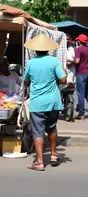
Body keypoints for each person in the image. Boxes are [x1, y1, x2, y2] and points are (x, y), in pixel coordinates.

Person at [24, 34, 67, 171]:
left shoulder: (30, 63)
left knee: (38, 132)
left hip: (37, 103)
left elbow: (26, 82)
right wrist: (63, 73)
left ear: (35, 50)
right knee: (52, 128)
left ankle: (40, 162)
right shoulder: (54, 61)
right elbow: (63, 80)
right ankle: (54, 155)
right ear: (48, 49)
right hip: (53, 102)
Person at [74, 34, 88, 120]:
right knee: (87, 93)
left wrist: (71, 61)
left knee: (81, 94)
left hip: (81, 73)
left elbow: (77, 61)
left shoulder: (78, 49)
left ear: (79, 41)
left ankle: (81, 114)